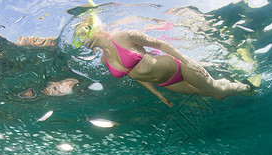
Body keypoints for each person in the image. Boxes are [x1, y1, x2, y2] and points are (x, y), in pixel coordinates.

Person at [72, 14, 257, 107]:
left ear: (94, 28)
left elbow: (160, 44)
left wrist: (187, 61)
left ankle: (246, 86)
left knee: (219, 94)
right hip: (166, 83)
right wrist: (157, 94)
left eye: (83, 34)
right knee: (205, 93)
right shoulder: (105, 61)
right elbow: (135, 76)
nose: (82, 41)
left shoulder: (125, 36)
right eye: (79, 39)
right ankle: (224, 82)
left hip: (179, 68)